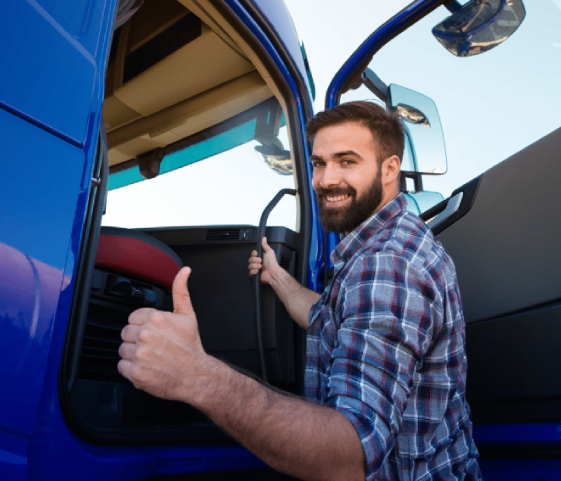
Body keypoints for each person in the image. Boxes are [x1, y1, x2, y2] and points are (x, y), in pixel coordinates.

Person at [117, 101, 481, 481]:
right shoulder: (384, 245)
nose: (325, 180)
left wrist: (196, 375)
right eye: (319, 163)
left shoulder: (387, 263)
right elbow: (327, 318)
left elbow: (349, 455)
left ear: (389, 169)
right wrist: (276, 276)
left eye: (347, 161)